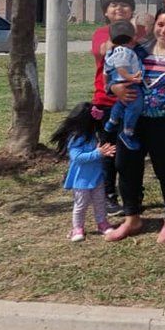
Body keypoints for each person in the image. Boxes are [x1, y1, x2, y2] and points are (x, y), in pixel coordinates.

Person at [106, 6, 165, 244]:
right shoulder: (137, 49)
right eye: (160, 24)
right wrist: (113, 87)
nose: (164, 30)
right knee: (126, 165)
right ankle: (132, 218)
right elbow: (112, 71)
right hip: (134, 121)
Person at [90, 0, 136, 216]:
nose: (119, 9)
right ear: (105, 12)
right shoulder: (102, 33)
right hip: (106, 102)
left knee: (130, 150)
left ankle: (133, 194)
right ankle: (108, 194)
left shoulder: (139, 32)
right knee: (108, 150)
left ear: (132, 10)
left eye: (124, 5)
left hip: (134, 101)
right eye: (113, 6)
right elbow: (102, 51)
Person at [52, 102, 116, 242]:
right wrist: (98, 153)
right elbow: (77, 158)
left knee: (100, 202)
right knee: (80, 205)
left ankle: (102, 223)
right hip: (81, 180)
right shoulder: (76, 138)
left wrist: (104, 152)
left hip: (97, 177)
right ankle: (77, 228)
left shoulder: (94, 135)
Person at [103, 20, 144, 150]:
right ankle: (127, 131)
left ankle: (112, 121)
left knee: (122, 103)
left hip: (119, 82)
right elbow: (121, 68)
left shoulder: (112, 51)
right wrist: (131, 77)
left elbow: (105, 71)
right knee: (136, 105)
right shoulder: (124, 51)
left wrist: (106, 84)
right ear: (131, 37)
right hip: (127, 82)